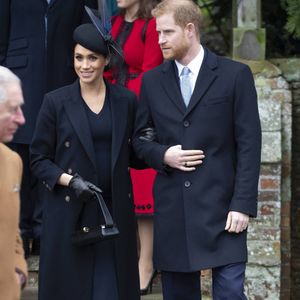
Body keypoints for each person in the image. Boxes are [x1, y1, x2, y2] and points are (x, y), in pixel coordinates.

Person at [133, 0, 262, 299]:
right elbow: (139, 141)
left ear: (190, 30)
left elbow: (249, 145)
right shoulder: (152, 81)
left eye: (167, 32)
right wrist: (163, 155)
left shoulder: (235, 76)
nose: (159, 40)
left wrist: (242, 204)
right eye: (157, 33)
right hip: (173, 210)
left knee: (230, 294)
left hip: (224, 211)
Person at [30, 21, 141, 300]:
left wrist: (158, 148)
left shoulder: (126, 100)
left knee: (111, 290)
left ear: (105, 60)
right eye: (79, 57)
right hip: (70, 213)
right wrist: (71, 181)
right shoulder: (55, 102)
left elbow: (136, 155)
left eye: (92, 58)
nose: (85, 65)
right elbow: (38, 159)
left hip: (113, 213)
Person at [0, 0, 98, 257]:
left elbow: (87, 34)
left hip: (62, 75)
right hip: (19, 75)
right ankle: (20, 233)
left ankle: (45, 232)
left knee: (54, 152)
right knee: (20, 152)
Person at [104, 0, 163, 294]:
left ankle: (147, 262)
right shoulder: (114, 23)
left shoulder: (151, 24)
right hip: (114, 105)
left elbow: (153, 72)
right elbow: (108, 68)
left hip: (139, 109)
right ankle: (128, 259)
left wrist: (134, 112)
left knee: (143, 191)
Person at [0, 66, 27, 300]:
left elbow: (12, 229)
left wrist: (19, 268)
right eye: (12, 109)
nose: (22, 118)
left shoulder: (12, 162)